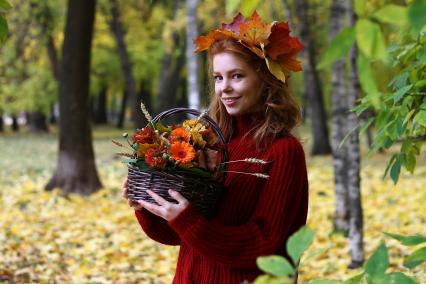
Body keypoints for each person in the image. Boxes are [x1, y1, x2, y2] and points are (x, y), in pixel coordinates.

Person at [122, 11, 309, 284]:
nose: (225, 88)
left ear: (265, 79)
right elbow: (181, 234)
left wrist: (188, 221)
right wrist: (149, 208)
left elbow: (264, 243)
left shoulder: (283, 151)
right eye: (219, 78)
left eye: (236, 76)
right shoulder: (210, 144)